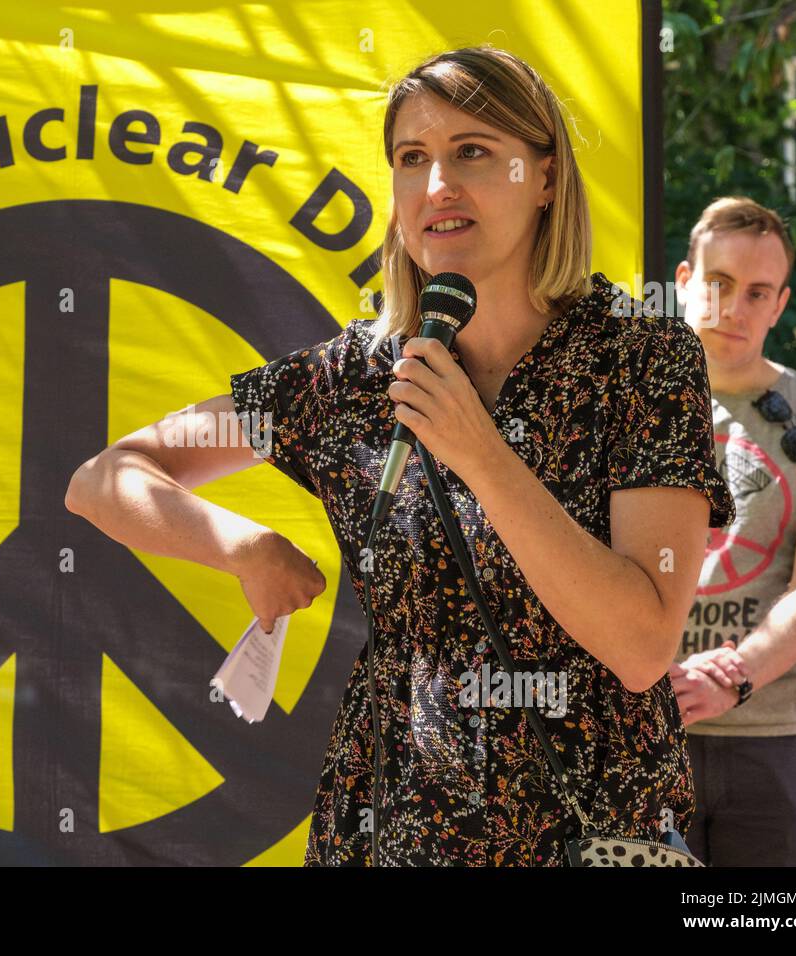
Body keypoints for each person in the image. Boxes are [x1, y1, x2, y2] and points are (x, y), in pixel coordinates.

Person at [64, 46, 735, 865]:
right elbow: (106, 479)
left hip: (581, 834)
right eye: (411, 159)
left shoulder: (640, 355)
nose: (436, 186)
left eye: (472, 153)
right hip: (390, 826)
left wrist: (481, 454)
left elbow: (641, 647)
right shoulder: (352, 376)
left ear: (547, 179)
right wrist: (243, 547)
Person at [669, 196, 796, 866]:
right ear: (684, 280)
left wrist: (733, 677)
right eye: (718, 283)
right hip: (641, 733)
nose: (734, 307)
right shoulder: (619, 408)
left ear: (779, 306)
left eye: (757, 292)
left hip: (782, 741)